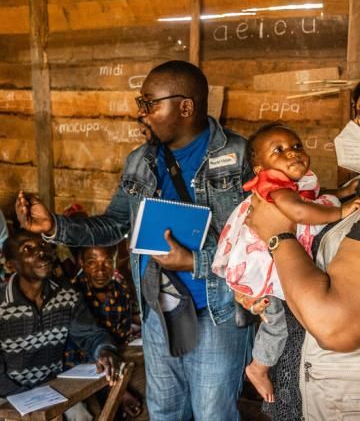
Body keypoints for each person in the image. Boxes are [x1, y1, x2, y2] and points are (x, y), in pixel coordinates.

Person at [15, 60, 252, 421]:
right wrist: (55, 227)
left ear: (185, 107)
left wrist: (195, 262)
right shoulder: (141, 161)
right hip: (160, 310)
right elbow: (113, 225)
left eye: (149, 104)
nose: (141, 114)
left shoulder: (239, 158)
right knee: (166, 411)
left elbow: (260, 242)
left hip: (215, 314)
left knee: (212, 414)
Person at [238, 65, 360, 420]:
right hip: (323, 390)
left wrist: (278, 234)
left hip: (350, 400)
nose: (355, 129)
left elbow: (335, 326)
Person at [212, 123, 360, 403]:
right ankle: (258, 367)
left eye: (296, 146)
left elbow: (312, 197)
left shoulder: (292, 182)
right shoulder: (273, 184)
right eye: (279, 150)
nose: (292, 154)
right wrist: (340, 211)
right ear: (259, 169)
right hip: (263, 265)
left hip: (273, 256)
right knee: (276, 322)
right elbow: (298, 209)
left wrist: (342, 192)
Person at [0, 230, 122, 420]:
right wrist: (33, 401)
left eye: (43, 246)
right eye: (27, 249)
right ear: (10, 264)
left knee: (84, 416)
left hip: (53, 389)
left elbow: (90, 334)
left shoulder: (66, 294)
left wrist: (104, 350)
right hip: (8, 396)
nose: (41, 253)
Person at [64, 245, 144, 419]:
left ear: (115, 261)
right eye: (92, 262)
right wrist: (119, 390)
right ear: (81, 262)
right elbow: (78, 350)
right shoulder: (71, 294)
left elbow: (123, 335)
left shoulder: (121, 289)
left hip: (116, 362)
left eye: (107, 262)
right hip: (81, 371)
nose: (101, 270)